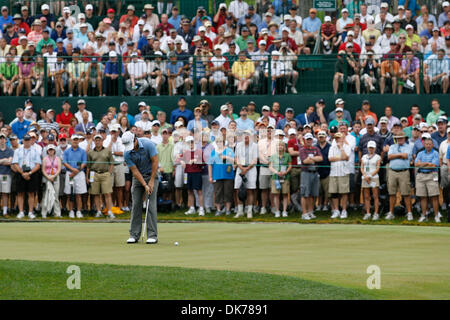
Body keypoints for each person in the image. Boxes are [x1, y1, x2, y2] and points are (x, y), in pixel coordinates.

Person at [122, 131, 159, 244]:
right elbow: (134, 171)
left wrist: (151, 181)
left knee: (150, 204)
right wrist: (144, 184)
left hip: (152, 174)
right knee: (136, 204)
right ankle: (134, 234)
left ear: (135, 139)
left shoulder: (148, 144)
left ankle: (152, 235)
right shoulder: (127, 153)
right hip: (138, 178)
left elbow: (155, 162)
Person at [12, 134, 41, 219]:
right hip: (21, 172)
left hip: (32, 173)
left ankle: (30, 212)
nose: (27, 142)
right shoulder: (18, 150)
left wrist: (29, 173)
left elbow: (38, 165)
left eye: (29, 140)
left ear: (31, 141)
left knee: (31, 193)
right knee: (20, 193)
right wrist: (22, 173)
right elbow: (15, 164)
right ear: (23, 141)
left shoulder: (35, 151)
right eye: (26, 140)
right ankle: (21, 212)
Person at [387, 131, 414, 221]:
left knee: (406, 193)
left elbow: (406, 156)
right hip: (392, 171)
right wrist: (399, 155)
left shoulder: (408, 147)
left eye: (401, 138)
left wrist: (396, 155)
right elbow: (389, 157)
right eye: (398, 138)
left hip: (404, 172)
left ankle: (409, 213)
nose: (400, 139)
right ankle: (391, 213)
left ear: (405, 138)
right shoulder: (392, 146)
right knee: (392, 193)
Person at [415, 135, 442, 223]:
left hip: (432, 175)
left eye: (430, 144)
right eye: (426, 144)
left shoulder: (435, 153)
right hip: (421, 175)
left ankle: (436, 215)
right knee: (423, 197)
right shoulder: (420, 153)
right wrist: (427, 163)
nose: (428, 146)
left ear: (432, 145)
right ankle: (424, 215)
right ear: (424, 145)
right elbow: (416, 164)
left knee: (434, 196)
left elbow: (434, 165)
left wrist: (422, 163)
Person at [208, 136, 235, 217]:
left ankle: (227, 210)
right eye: (217, 141)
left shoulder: (229, 150)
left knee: (228, 192)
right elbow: (210, 164)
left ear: (223, 142)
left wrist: (226, 157)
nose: (219, 143)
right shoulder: (213, 152)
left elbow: (235, 161)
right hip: (217, 175)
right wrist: (210, 176)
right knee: (217, 193)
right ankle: (219, 210)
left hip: (228, 174)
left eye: (220, 141)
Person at [299, 133, 323, 220]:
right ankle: (304, 213)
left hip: (315, 172)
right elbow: (305, 161)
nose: (309, 141)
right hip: (306, 173)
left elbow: (321, 158)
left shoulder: (315, 148)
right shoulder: (302, 150)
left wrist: (311, 159)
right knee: (305, 193)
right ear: (304, 140)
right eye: (307, 139)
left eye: (310, 139)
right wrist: (314, 158)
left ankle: (310, 211)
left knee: (313, 194)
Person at [63, 134, 87, 219]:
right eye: (74, 140)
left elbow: (84, 162)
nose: (75, 141)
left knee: (78, 194)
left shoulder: (82, 151)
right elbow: (65, 162)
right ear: (71, 141)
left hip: (79, 174)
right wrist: (73, 170)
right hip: (70, 173)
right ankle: (71, 211)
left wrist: (76, 171)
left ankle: (79, 211)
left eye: (77, 140)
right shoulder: (67, 151)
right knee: (69, 194)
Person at [328, 132, 351, 219]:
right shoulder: (332, 148)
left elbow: (347, 157)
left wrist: (341, 148)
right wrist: (341, 158)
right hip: (334, 173)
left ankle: (344, 210)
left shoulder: (347, 147)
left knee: (344, 192)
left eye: (339, 138)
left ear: (343, 138)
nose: (338, 140)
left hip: (343, 172)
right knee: (334, 193)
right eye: (336, 138)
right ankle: (336, 210)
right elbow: (330, 158)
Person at [180, 135, 205, 216]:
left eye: (191, 142)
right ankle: (192, 208)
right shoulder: (185, 152)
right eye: (188, 143)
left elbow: (204, 163)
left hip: (197, 173)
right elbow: (178, 159)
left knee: (199, 191)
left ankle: (201, 209)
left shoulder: (199, 151)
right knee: (189, 191)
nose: (190, 144)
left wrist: (196, 160)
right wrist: (181, 162)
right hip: (188, 173)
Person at [269, 140, 292, 218]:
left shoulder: (287, 155)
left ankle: (285, 211)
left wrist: (285, 172)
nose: (280, 147)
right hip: (276, 177)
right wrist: (276, 172)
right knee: (276, 195)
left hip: (285, 177)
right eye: (278, 145)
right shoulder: (273, 156)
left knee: (285, 194)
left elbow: (290, 166)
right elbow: (270, 166)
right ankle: (277, 211)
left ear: (284, 147)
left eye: (281, 145)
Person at [361, 141, 381, 220]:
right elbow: (362, 167)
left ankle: (376, 213)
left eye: (372, 148)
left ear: (375, 148)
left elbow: (378, 168)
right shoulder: (364, 156)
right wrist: (365, 175)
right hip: (365, 178)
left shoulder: (378, 157)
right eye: (370, 147)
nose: (371, 149)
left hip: (374, 178)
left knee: (375, 196)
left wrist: (370, 175)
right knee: (366, 196)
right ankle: (368, 213)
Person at [41, 144, 61, 218]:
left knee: (56, 195)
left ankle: (57, 213)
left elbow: (59, 169)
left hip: (55, 177)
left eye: (52, 150)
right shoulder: (45, 159)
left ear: (54, 151)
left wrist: (54, 176)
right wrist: (48, 177)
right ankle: (44, 212)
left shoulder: (58, 158)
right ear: (47, 151)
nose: (51, 151)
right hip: (47, 177)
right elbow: (43, 169)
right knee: (45, 195)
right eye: (49, 150)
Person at [0, 132, 13, 216]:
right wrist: (5, 160)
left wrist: (1, 161)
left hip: (6, 174)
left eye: (3, 138)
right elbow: (7, 161)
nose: (1, 140)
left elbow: (10, 162)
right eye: (0, 138)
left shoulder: (10, 150)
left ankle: (5, 211)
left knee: (5, 193)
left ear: (5, 140)